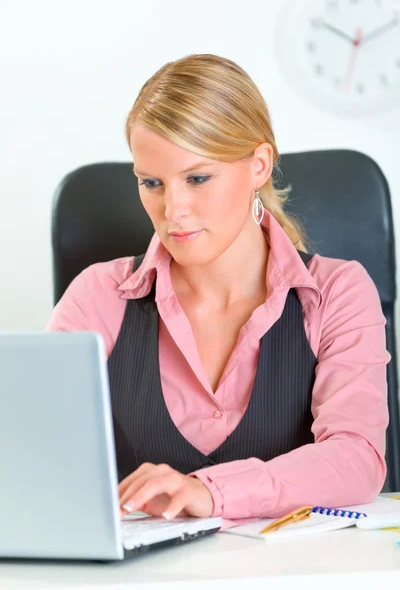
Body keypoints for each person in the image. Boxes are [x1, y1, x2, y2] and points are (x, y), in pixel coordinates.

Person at [45, 53, 390, 524]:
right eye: (152, 183)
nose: (174, 210)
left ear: (259, 165)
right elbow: (36, 448)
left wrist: (211, 492)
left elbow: (357, 459)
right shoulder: (99, 295)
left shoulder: (336, 292)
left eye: (198, 178)